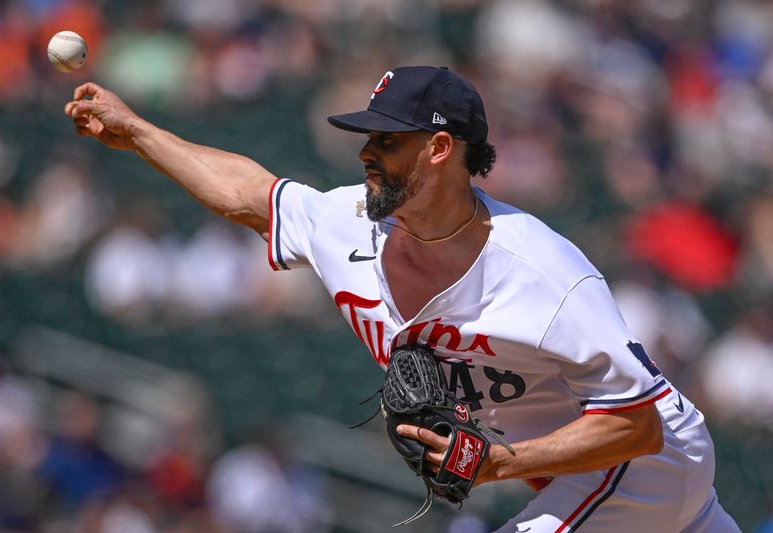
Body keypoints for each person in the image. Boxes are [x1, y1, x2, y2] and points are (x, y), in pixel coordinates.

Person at [65, 66, 739, 532]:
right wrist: (142, 135)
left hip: (647, 464)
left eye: (387, 140)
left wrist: (501, 462)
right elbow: (253, 197)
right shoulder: (349, 222)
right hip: (589, 480)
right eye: (366, 138)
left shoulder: (546, 275)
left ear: (441, 148)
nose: (366, 154)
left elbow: (640, 424)